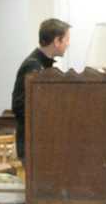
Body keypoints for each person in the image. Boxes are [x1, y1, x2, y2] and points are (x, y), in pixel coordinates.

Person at [11, 18, 71, 159]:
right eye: (67, 39)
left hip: (40, 143)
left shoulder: (43, 65)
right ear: (57, 41)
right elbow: (19, 106)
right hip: (32, 145)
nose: (68, 44)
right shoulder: (33, 66)